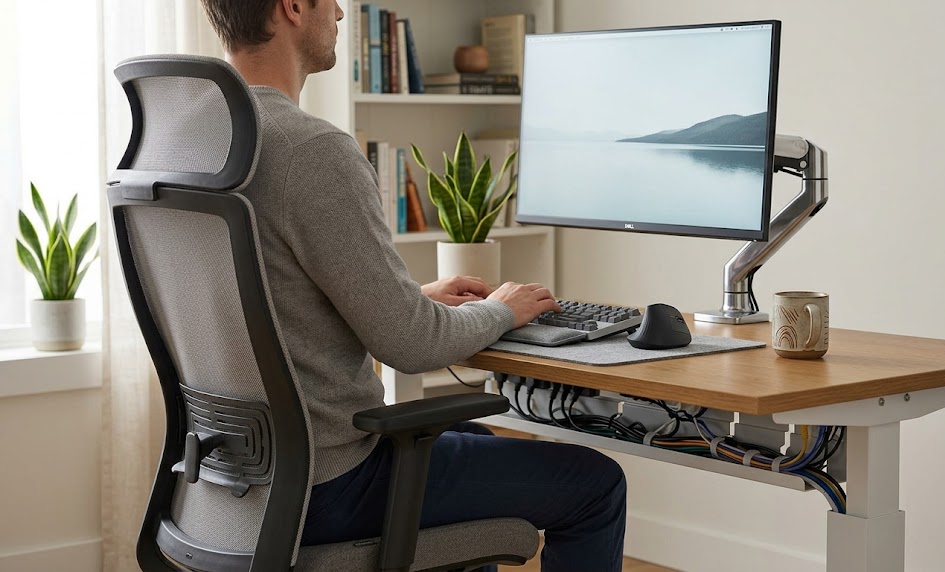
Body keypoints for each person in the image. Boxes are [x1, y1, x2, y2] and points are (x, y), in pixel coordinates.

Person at [198, 1, 627, 570]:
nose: (343, 14)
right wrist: (503, 308)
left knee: (477, 439)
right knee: (595, 482)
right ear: (294, 8)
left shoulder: (190, 138)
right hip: (330, 483)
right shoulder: (308, 150)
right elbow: (410, 347)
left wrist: (408, 300)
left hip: (230, 480)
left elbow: (259, 300)